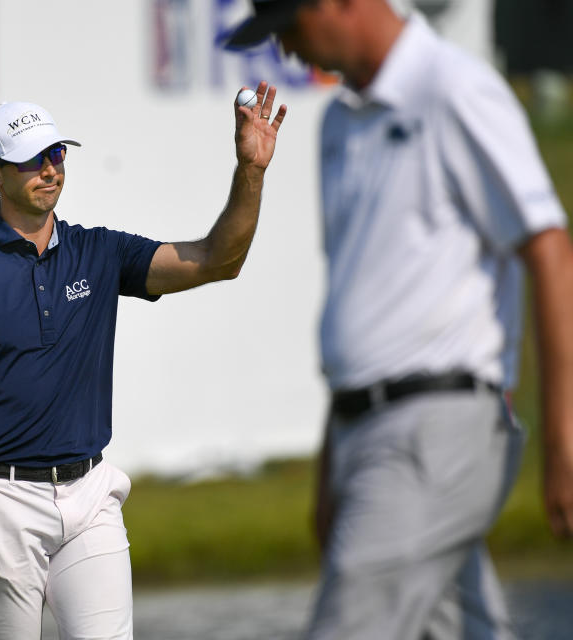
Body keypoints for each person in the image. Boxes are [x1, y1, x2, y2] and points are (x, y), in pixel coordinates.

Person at [222, 1, 573, 639]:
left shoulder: (455, 89)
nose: (287, 52)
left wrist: (564, 439)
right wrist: (333, 457)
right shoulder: (338, 126)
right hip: (365, 433)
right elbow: (363, 313)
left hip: (436, 430)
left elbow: (548, 248)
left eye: (290, 29)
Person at [0, 88, 286, 639]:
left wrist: (251, 170)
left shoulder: (99, 253)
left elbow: (219, 260)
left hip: (90, 493)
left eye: (56, 153)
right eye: (32, 159)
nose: (50, 169)